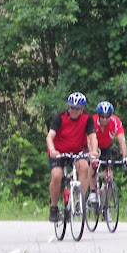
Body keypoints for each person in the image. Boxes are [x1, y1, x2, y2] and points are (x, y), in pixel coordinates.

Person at [46, 92, 99, 222]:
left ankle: (78, 200)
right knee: (57, 175)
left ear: (82, 109)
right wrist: (53, 150)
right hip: (58, 152)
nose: (74, 111)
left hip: (77, 151)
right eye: (71, 108)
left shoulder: (87, 118)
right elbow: (50, 136)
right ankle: (53, 208)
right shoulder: (60, 117)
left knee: (84, 167)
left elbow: (92, 136)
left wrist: (94, 151)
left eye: (77, 109)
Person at [87, 101, 127, 203]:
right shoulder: (92, 121)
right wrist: (93, 154)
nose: (104, 119)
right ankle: (92, 191)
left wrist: (125, 157)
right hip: (94, 146)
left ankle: (106, 206)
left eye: (107, 117)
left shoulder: (115, 122)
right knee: (93, 164)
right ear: (98, 116)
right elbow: (89, 140)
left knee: (109, 175)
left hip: (106, 147)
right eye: (102, 117)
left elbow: (122, 140)